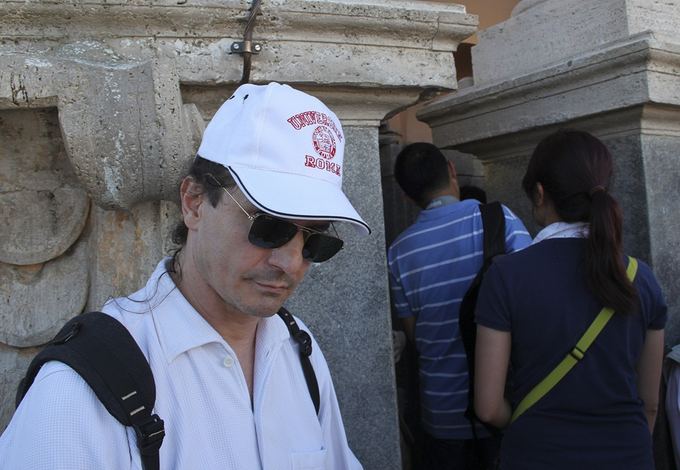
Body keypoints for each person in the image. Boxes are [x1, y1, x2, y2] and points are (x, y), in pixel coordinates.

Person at [0, 82, 367, 469]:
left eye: (315, 240)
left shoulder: (299, 350)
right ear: (193, 203)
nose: (291, 262)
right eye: (269, 227)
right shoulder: (82, 386)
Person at [474, 129, 667, 470]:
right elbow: (649, 403)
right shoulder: (642, 278)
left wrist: (527, 421)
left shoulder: (506, 275)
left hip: (536, 455)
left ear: (539, 193)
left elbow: (488, 407)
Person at [386, 142, 531, 469]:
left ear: (407, 197)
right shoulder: (499, 218)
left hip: (442, 413)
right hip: (508, 402)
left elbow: (416, 337)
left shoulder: (398, 252)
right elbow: (535, 299)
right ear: (451, 170)